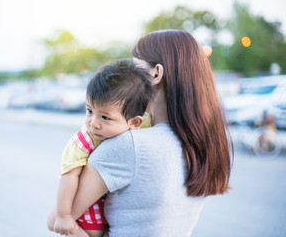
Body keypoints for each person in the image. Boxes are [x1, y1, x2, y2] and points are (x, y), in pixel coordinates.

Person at [63, 30, 233, 237]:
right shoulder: (204, 145)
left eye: (135, 69)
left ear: (155, 74)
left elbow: (60, 219)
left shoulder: (128, 145)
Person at [48, 59, 153, 237]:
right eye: (89, 111)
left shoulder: (144, 125)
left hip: (112, 205)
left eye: (105, 117)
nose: (93, 123)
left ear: (134, 122)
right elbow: (68, 176)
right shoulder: (82, 141)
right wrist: (64, 216)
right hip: (86, 210)